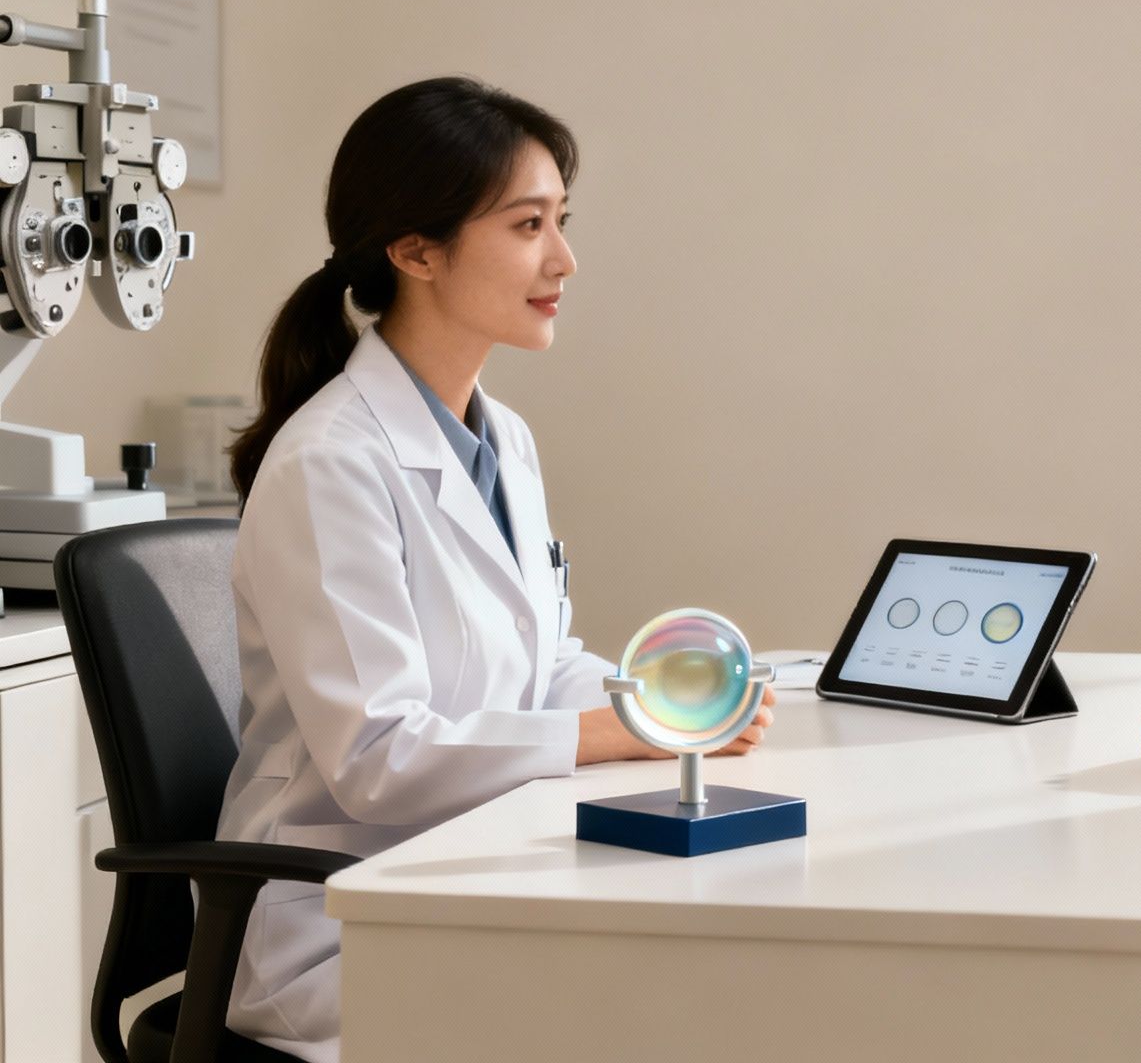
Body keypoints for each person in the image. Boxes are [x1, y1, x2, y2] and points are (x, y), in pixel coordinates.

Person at [217, 77, 775, 1063]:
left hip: (470, 869)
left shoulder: (500, 436)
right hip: (348, 921)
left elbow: (538, 659)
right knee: (687, 1004)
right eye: (527, 225)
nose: (563, 259)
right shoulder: (331, 462)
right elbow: (379, 756)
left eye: (560, 220)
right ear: (415, 251)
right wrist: (613, 734)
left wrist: (656, 702)